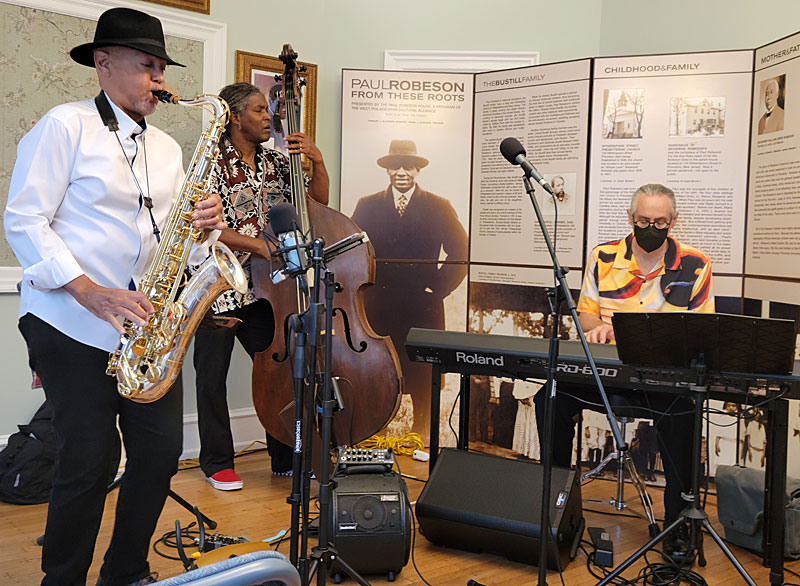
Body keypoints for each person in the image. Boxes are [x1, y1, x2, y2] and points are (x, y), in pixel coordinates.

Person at [4, 8, 226, 586]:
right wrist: (87, 290)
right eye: (146, 66)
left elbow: (175, 241)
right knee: (87, 460)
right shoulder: (64, 126)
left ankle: (124, 571)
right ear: (103, 65)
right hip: (67, 320)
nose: (159, 79)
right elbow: (24, 221)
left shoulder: (169, 151)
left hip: (144, 326)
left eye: (160, 67)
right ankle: (64, 578)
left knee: (157, 456)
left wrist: (206, 227)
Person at [534, 183, 714, 565]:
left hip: (661, 378)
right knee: (551, 396)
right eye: (644, 220)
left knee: (684, 415)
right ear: (630, 218)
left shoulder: (696, 263)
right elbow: (586, 312)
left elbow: (699, 330)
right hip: (606, 372)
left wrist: (644, 335)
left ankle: (676, 527)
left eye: (660, 221)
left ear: (673, 221)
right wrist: (596, 327)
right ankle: (555, 511)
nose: (652, 227)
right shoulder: (603, 256)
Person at [192, 82, 329, 490]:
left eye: (267, 109)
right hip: (218, 285)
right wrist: (261, 246)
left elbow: (315, 206)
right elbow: (205, 228)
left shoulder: (276, 162)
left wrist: (317, 162)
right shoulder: (209, 163)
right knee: (211, 377)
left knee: (277, 370)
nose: (268, 116)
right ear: (234, 117)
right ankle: (217, 462)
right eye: (257, 110)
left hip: (266, 288)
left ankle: (284, 455)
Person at [351, 139, 468, 436]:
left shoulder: (439, 206)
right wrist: (363, 287)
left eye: (408, 166)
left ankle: (422, 436)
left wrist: (437, 289)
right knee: (379, 367)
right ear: (387, 171)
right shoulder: (367, 205)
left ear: (418, 170)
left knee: (422, 370)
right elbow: (351, 249)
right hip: (378, 303)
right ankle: (375, 433)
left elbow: (461, 253)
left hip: (422, 304)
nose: (401, 172)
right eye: (395, 166)